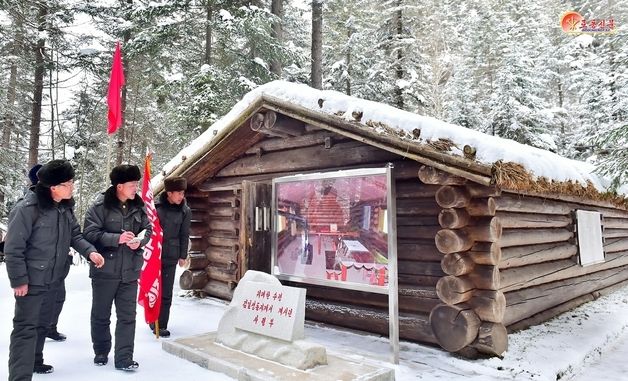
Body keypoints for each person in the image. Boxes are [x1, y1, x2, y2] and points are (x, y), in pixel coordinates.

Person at [4, 160, 104, 380]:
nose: (73, 186)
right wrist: (19, 280)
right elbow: (13, 249)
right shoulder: (26, 209)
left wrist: (90, 252)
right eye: (68, 183)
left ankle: (36, 361)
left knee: (41, 325)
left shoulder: (64, 208)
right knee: (25, 330)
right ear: (54, 187)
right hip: (31, 281)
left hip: (54, 278)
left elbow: (75, 235)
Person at [83, 164, 151, 371]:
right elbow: (89, 234)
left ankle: (124, 358)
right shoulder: (99, 207)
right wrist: (117, 238)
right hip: (105, 271)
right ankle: (101, 350)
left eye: (137, 184)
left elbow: (148, 230)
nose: (136, 188)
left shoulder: (139, 207)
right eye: (132, 184)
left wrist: (139, 241)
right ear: (120, 186)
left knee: (128, 317)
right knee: (101, 314)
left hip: (130, 271)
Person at [27, 163, 68, 342]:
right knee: (38, 308)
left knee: (58, 298)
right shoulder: (30, 205)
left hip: (58, 266)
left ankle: (51, 326)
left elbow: (72, 232)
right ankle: (36, 343)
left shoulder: (62, 206)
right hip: (37, 269)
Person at [150, 176, 191, 337]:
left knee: (166, 292)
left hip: (171, 256)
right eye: (179, 193)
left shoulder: (185, 211)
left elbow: (184, 234)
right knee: (153, 290)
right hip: (154, 255)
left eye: (183, 193)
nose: (182, 196)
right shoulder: (156, 208)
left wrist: (182, 255)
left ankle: (162, 324)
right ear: (169, 193)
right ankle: (152, 320)